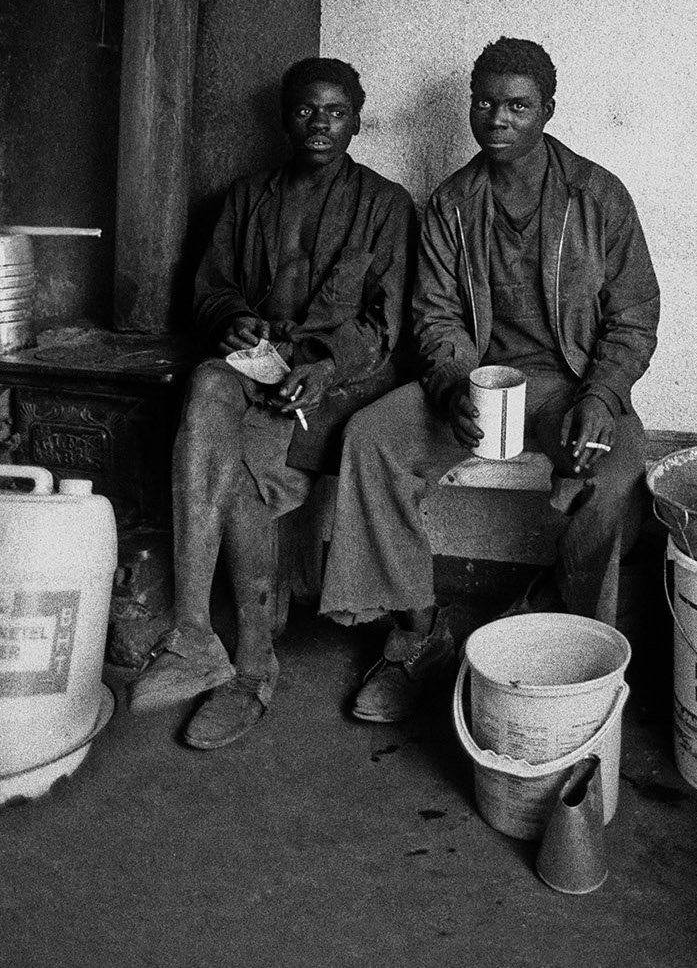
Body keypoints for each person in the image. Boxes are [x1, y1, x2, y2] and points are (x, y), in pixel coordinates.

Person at [320, 36, 660, 723]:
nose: (497, 118)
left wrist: (600, 397)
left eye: (517, 105)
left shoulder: (596, 196)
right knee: (371, 439)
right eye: (485, 102)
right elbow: (436, 316)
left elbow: (633, 317)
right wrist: (449, 385)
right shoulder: (453, 203)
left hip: (571, 387)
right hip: (477, 387)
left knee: (615, 474)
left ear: (547, 111)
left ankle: (576, 645)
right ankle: (417, 633)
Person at [129, 56, 416, 748]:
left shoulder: (385, 205)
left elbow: (387, 324)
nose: (320, 124)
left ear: (356, 116)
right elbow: (209, 289)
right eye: (305, 110)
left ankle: (254, 662)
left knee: (242, 467)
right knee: (206, 385)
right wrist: (231, 320)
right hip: (259, 371)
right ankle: (195, 629)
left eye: (335, 111)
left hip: (341, 385)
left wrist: (323, 365)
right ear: (285, 117)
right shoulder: (246, 197)